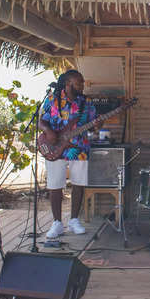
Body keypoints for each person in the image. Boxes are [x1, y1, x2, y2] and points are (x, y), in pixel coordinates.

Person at [39, 70, 97, 237]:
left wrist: (97, 125)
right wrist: (48, 131)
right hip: (54, 146)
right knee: (55, 185)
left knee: (79, 184)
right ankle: (57, 223)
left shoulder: (86, 103)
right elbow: (41, 121)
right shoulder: (52, 99)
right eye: (80, 82)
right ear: (69, 83)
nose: (82, 85)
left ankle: (73, 220)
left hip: (79, 148)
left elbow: (93, 125)